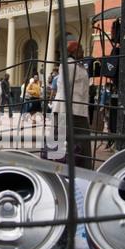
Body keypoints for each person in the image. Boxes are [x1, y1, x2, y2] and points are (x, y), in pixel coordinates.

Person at [52, 41, 92, 170]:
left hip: (78, 110)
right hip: (69, 110)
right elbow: (64, 88)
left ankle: (80, 171)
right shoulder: (68, 65)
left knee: (80, 144)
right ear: (73, 51)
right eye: (80, 48)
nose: (82, 51)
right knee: (66, 142)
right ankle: (63, 171)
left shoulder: (78, 65)